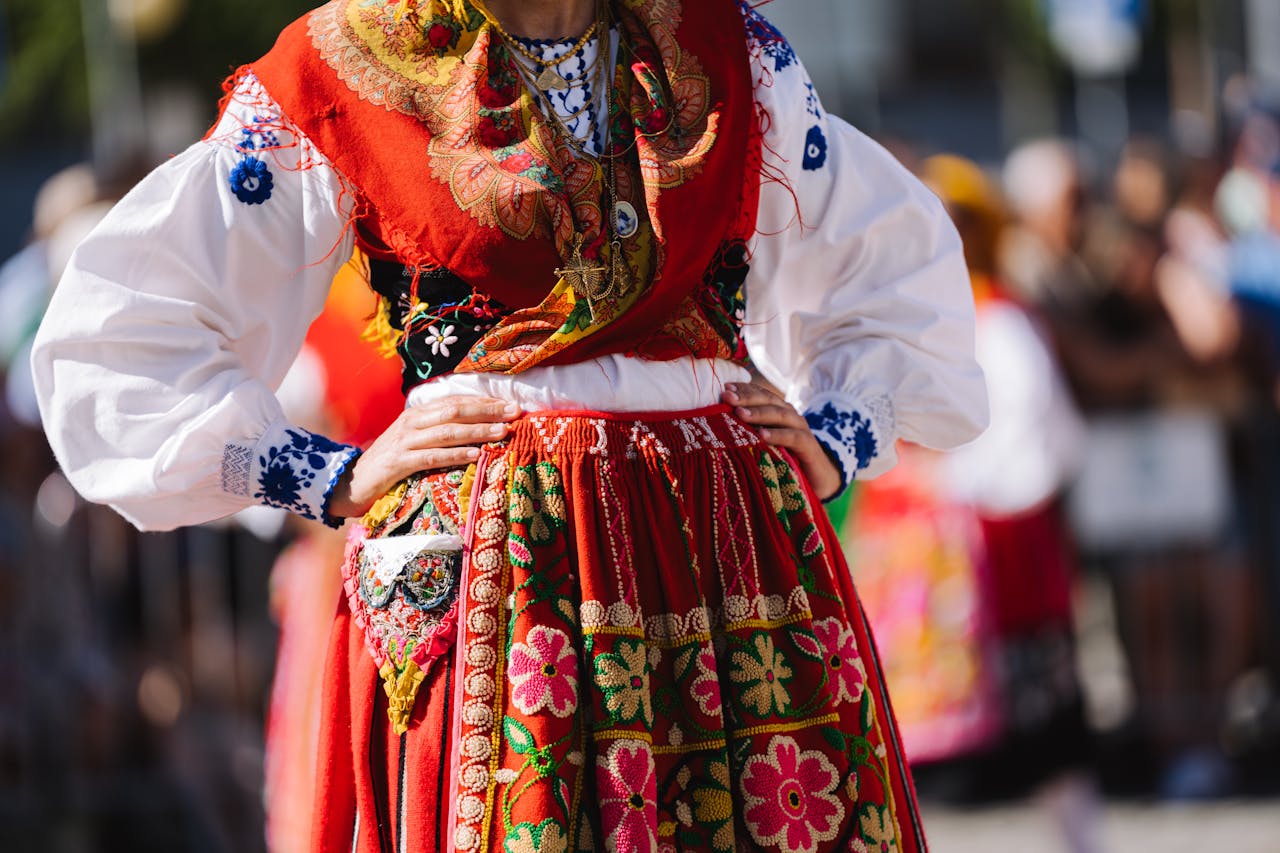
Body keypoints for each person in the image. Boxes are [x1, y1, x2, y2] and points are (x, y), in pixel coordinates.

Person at [32, 1, 988, 850]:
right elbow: (125, 331)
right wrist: (325, 474)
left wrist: (838, 436)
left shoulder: (723, 47)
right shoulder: (346, 61)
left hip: (723, 547)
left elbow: (890, 270)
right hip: (502, 556)